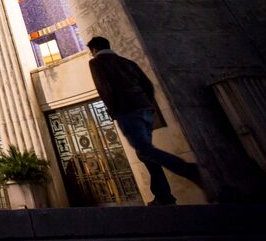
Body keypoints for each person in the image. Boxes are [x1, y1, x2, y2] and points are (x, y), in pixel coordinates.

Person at [87, 36, 202, 205]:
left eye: (91, 51)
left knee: (146, 152)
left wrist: (113, 111)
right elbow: (147, 85)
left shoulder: (97, 63)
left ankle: (189, 172)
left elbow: (105, 88)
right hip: (144, 109)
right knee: (145, 153)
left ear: (94, 50)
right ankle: (163, 195)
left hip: (127, 110)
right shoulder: (127, 62)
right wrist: (147, 105)